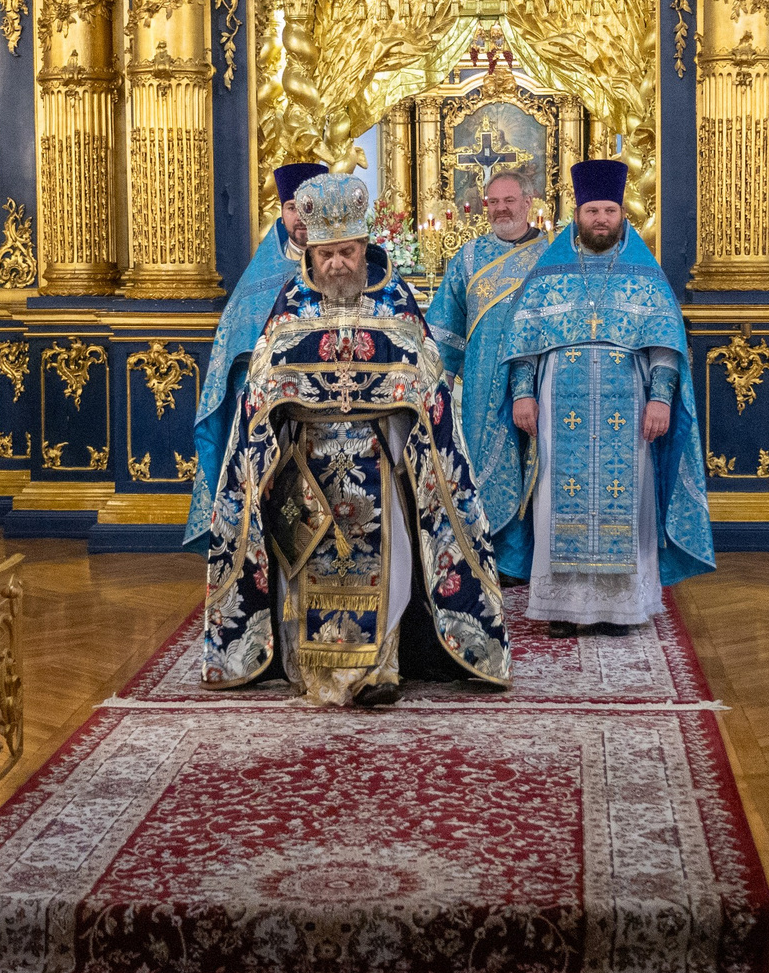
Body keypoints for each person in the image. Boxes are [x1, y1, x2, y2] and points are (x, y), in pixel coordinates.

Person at [199, 173, 511, 706]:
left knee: (388, 565)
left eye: (347, 252)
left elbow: (426, 375)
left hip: (379, 455)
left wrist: (397, 406)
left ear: (364, 248)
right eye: (327, 255)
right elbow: (262, 389)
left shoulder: (395, 300)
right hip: (306, 465)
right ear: (310, 256)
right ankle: (313, 671)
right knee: (304, 569)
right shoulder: (291, 306)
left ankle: (381, 669)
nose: (338, 265)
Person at [501, 159, 714, 637]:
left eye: (610, 210)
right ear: (578, 213)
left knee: (628, 497)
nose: (601, 219)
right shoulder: (551, 268)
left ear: (622, 215)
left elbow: (665, 343)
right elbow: (523, 339)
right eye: (593, 210)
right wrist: (522, 395)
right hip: (558, 400)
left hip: (628, 403)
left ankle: (621, 608)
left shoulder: (643, 270)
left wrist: (660, 400)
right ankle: (562, 607)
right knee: (556, 496)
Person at [186, 161, 326, 548]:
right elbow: (236, 341)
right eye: (293, 207)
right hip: (272, 410)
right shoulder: (262, 275)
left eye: (309, 206)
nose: (301, 216)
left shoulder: (342, 264)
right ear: (282, 212)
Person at [426, 170, 552, 578]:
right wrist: (438, 384)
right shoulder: (468, 257)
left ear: (528, 202)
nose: (501, 209)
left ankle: (528, 559)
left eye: (509, 200)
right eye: (493, 201)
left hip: (541, 377)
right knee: (487, 463)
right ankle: (492, 555)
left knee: (536, 465)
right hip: (482, 382)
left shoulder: (551, 256)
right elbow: (446, 323)